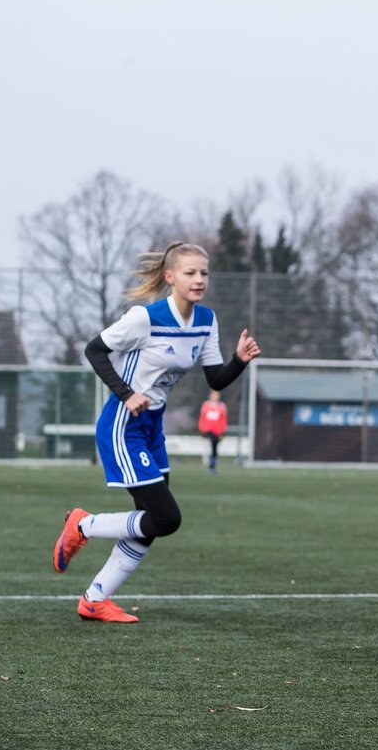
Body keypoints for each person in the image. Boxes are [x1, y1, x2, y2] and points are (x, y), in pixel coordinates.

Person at [51, 242, 261, 623]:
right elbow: (94, 350)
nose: (199, 280)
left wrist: (239, 361)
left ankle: (94, 599)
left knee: (148, 522)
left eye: (204, 273)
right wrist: (127, 394)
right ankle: (81, 524)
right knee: (165, 518)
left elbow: (215, 376)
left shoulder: (206, 321)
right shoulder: (145, 318)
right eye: (190, 273)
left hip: (152, 426)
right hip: (122, 423)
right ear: (170, 277)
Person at [198, 389, 228, 473]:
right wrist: (201, 429)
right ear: (210, 395)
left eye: (217, 395)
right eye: (214, 395)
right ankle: (207, 463)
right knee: (209, 445)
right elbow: (202, 418)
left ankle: (213, 466)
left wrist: (223, 430)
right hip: (207, 430)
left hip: (217, 431)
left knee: (214, 448)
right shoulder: (205, 405)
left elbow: (223, 419)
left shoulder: (222, 406)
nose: (215, 397)